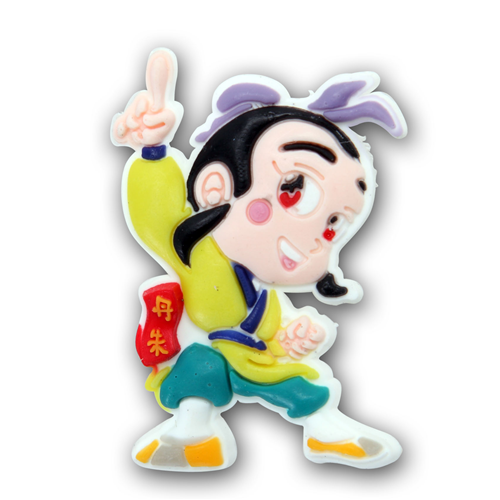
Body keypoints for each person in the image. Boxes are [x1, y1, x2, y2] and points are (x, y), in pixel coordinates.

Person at [111, 48, 407, 471]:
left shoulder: (264, 296)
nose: (316, 235)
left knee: (300, 385)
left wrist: (296, 335)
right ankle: (191, 435)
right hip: (209, 353)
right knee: (197, 374)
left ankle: (328, 432)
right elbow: (156, 216)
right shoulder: (198, 255)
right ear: (216, 186)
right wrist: (152, 150)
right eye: (293, 190)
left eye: (333, 224)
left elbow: (276, 330)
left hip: (257, 358)